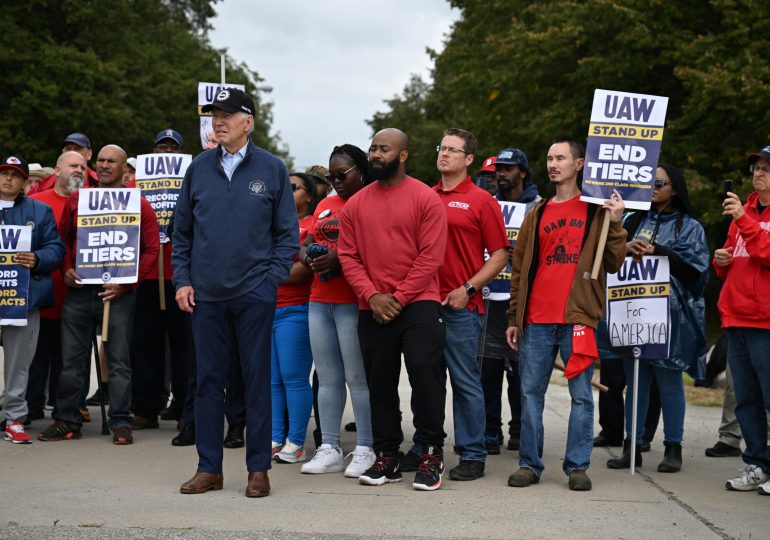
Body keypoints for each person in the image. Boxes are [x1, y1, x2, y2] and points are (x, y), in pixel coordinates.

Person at [173, 88, 298, 498]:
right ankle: (209, 468)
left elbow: (286, 236)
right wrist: (183, 280)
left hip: (253, 295)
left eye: (227, 114)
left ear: (249, 121)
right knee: (207, 381)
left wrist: (270, 282)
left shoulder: (272, 168)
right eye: (214, 114)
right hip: (205, 295)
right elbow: (182, 233)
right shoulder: (198, 168)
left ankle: (258, 468)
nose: (218, 121)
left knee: (255, 379)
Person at [505, 138, 626, 491]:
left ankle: (577, 466)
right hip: (537, 320)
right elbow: (519, 270)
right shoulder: (537, 212)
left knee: (581, 395)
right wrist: (515, 317)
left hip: (578, 318)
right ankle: (529, 464)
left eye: (560, 158)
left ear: (579, 164)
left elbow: (614, 262)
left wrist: (615, 223)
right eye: (549, 158)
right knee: (530, 394)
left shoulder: (596, 211)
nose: (553, 164)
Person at [338, 128, 449, 491]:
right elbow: (349, 256)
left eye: (384, 149)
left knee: (424, 374)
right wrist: (371, 296)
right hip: (372, 306)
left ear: (403, 155)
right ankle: (387, 455)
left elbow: (430, 257)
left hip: (418, 302)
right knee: (379, 382)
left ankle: (431, 451)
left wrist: (398, 297)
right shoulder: (355, 204)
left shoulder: (426, 199)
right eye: (372, 148)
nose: (374, 154)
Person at [38, 145, 159, 445]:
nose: (104, 165)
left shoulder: (139, 204)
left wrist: (127, 284)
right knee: (71, 361)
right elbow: (62, 239)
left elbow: (151, 249)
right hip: (79, 292)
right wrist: (66, 267)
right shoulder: (79, 199)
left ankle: (121, 422)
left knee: (119, 360)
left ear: (124, 169)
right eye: (101, 160)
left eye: (111, 161)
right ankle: (66, 419)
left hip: (118, 294)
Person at [604, 164, 709, 473]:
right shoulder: (633, 219)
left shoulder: (689, 226)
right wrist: (625, 246)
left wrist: (660, 251)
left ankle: (673, 447)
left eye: (659, 183)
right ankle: (631, 447)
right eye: (649, 182)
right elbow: (608, 255)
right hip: (631, 310)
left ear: (674, 188)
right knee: (635, 383)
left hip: (668, 317)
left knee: (669, 382)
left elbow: (696, 270)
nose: (652, 187)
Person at [421, 128, 508, 482]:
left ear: (468, 159)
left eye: (453, 150)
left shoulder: (481, 200)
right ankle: (427, 448)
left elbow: (500, 256)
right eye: (441, 148)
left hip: (460, 307)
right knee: (427, 381)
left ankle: (473, 453)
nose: (444, 154)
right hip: (424, 304)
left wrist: (468, 289)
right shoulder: (424, 195)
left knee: (465, 381)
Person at [298, 145, 375, 477]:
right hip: (320, 298)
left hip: (353, 302)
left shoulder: (373, 200)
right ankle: (328, 445)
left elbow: (378, 250)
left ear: (360, 170)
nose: (335, 181)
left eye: (342, 175)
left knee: (358, 379)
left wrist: (340, 260)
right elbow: (306, 243)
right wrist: (309, 258)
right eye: (331, 177)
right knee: (327, 378)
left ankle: (366, 447)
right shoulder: (326, 205)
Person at [715, 146, 770, 494]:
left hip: (766, 322)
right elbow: (735, 262)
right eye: (756, 168)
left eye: (766, 168)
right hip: (737, 319)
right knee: (746, 399)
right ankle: (758, 464)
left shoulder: (744, 217)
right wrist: (722, 261)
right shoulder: (745, 211)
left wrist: (744, 221)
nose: (758, 174)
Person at [479, 147, 541, 454]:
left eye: (508, 168)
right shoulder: (486, 204)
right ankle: (491, 431)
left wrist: (526, 255)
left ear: (523, 173)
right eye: (498, 169)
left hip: (522, 299)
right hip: (490, 296)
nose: (501, 174)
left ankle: (519, 429)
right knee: (488, 369)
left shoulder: (538, 207)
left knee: (519, 371)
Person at [132, 129, 193, 432]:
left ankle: (183, 406)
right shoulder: (135, 187)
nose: (167, 151)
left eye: (174, 147)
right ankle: (146, 407)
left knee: (184, 346)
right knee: (145, 344)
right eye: (162, 146)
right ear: (153, 152)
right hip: (145, 275)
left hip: (181, 276)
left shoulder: (193, 183)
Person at [0, 155, 64, 443]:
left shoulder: (40, 211)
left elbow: (56, 248)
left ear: (25, 181)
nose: (8, 179)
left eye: (15, 175)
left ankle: (14, 416)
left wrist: (37, 258)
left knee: (19, 361)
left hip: (21, 298)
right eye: (4, 173)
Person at [25, 152, 87, 421]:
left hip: (77, 298)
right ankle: (31, 406)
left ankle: (71, 407)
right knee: (36, 358)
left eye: (84, 167)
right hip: (42, 296)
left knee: (71, 359)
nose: (80, 171)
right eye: (74, 166)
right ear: (58, 170)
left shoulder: (93, 203)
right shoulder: (35, 203)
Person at [271, 172, 316, 463]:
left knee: (294, 378)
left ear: (309, 196)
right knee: (271, 381)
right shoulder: (271, 224)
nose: (286, 191)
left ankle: (296, 442)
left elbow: (302, 271)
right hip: (266, 310)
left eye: (294, 187)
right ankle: (275, 437)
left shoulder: (312, 225)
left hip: (295, 311)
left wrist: (266, 274)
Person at [28, 133, 98, 195]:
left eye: (78, 149)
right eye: (68, 148)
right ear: (62, 153)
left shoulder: (99, 182)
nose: (72, 152)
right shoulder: (44, 185)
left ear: (89, 154)